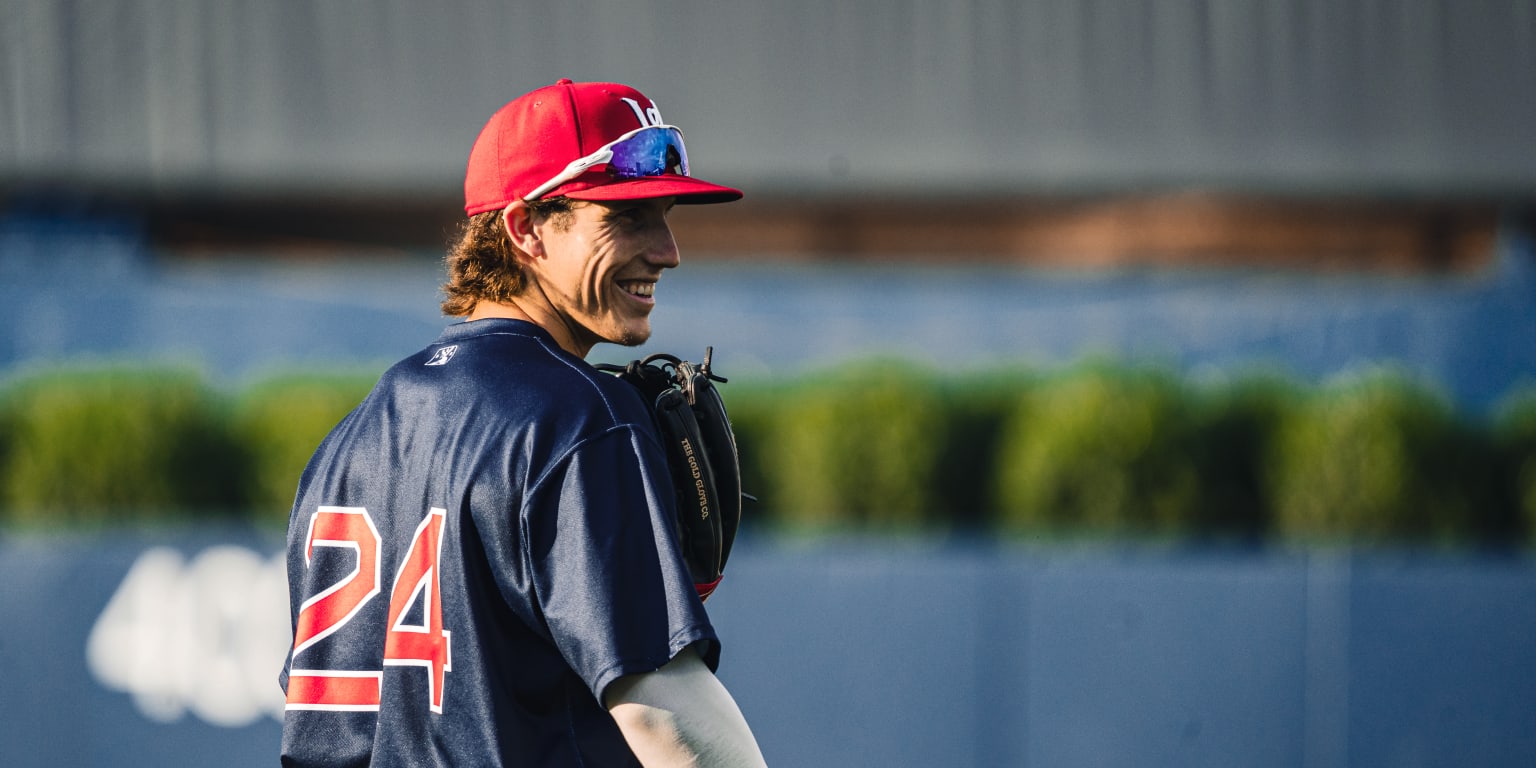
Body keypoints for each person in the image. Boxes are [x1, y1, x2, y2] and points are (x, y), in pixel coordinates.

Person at [278, 79, 768, 768]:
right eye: (626, 219)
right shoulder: (576, 416)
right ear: (526, 227)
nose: (667, 249)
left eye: (664, 215)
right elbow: (667, 719)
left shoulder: (349, 442)